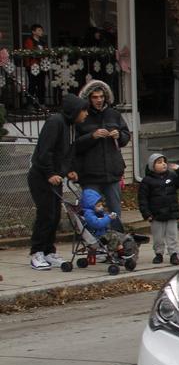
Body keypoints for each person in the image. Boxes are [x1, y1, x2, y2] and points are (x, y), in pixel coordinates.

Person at [27, 94, 88, 269]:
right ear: (75, 111)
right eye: (83, 110)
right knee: (45, 214)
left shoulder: (71, 127)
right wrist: (49, 173)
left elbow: (67, 153)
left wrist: (68, 170)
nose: (86, 114)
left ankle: (48, 250)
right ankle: (36, 252)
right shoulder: (55, 123)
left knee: (55, 215)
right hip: (41, 177)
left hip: (56, 178)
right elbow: (45, 151)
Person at [74, 79, 131, 231]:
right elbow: (75, 145)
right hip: (90, 174)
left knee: (115, 212)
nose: (99, 100)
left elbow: (126, 136)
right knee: (92, 212)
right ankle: (96, 244)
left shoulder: (114, 114)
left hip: (112, 172)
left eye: (101, 97)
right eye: (95, 97)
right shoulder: (82, 117)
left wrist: (119, 135)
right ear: (88, 99)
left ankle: (118, 244)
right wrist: (92, 136)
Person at [138, 153, 179, 265]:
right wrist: (146, 213)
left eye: (164, 161)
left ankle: (173, 254)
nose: (163, 164)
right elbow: (142, 199)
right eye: (159, 162)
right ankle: (158, 254)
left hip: (171, 213)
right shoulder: (147, 181)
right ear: (152, 166)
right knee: (158, 237)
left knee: (172, 235)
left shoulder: (172, 177)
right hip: (156, 215)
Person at [80, 188, 126, 257]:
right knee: (113, 236)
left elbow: (102, 218)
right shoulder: (88, 214)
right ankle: (112, 252)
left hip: (101, 234)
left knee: (116, 235)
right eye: (98, 206)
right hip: (96, 236)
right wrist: (108, 218)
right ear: (91, 205)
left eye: (101, 205)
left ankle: (121, 251)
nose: (101, 207)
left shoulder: (96, 212)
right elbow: (97, 223)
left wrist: (109, 216)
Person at [23, 23, 46, 106]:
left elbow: (46, 52)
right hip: (32, 66)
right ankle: (30, 104)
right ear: (33, 32)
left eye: (42, 30)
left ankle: (41, 103)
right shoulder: (29, 41)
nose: (41, 32)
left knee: (41, 85)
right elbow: (30, 52)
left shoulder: (43, 42)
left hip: (42, 66)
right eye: (39, 30)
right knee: (32, 85)